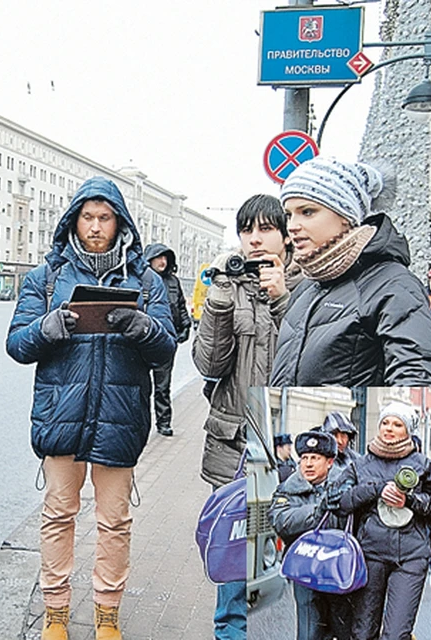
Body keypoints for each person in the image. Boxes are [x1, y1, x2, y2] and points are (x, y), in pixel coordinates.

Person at [6, 176, 175, 640]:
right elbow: (17, 344)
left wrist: (142, 326)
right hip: (61, 414)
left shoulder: (146, 280)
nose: (96, 226)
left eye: (105, 217)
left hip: (120, 418)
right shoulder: (47, 279)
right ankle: (56, 613)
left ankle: (107, 616)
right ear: (74, 222)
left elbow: (165, 349)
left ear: (119, 221)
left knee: (114, 522)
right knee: (58, 516)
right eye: (88, 218)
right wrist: (49, 328)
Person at [192, 193, 300, 640]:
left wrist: (282, 300)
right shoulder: (230, 284)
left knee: (284, 558)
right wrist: (218, 296)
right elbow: (209, 364)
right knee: (237, 559)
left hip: (285, 446)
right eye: (246, 230)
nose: (254, 240)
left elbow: (304, 362)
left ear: (285, 234)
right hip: (235, 442)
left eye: (265, 229)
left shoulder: (310, 285)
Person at [270, 157, 431, 386]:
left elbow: (420, 378)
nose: (293, 226)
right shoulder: (308, 286)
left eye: (307, 211)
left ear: (346, 216)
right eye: (289, 214)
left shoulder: (395, 285)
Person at [335, 401, 431, 640]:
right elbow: (340, 501)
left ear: (408, 431)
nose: (389, 428)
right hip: (370, 555)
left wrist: (412, 501)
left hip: (411, 557)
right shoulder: (360, 465)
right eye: (385, 423)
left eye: (397, 424)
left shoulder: (423, 465)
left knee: (396, 633)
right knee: (363, 631)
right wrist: (376, 490)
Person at [269, 430, 351, 640]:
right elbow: (282, 521)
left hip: (338, 572)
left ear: (330, 461)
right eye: (304, 458)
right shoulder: (287, 488)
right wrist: (320, 511)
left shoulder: (347, 486)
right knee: (309, 633)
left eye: (315, 458)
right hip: (305, 572)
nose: (308, 464)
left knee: (345, 631)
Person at [142, 242, 191, 437]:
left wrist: (186, 325)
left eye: (165, 258)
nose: (162, 261)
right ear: (149, 259)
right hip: (144, 340)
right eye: (158, 257)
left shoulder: (173, 281)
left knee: (163, 386)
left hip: (166, 341)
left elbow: (180, 305)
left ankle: (164, 422)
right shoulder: (141, 279)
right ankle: (141, 423)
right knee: (142, 386)